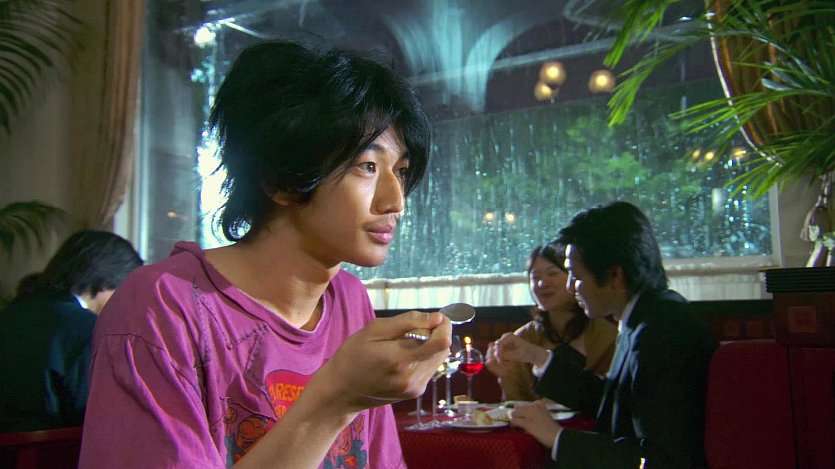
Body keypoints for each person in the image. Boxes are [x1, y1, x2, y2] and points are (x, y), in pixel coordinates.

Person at [78, 40, 452, 469]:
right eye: (367, 166)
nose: (396, 201)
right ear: (282, 179)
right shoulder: (162, 306)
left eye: (400, 171)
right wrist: (335, 398)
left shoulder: (349, 299)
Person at [495, 201, 718, 468]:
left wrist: (558, 438)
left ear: (614, 276)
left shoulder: (664, 334)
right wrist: (538, 358)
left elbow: (660, 459)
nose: (571, 286)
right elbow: (614, 399)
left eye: (576, 276)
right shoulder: (647, 316)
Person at [0, 230, 143, 432]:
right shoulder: (88, 330)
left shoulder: (9, 314)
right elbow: (96, 419)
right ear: (104, 283)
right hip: (56, 448)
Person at [485, 241, 616, 402]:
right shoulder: (523, 338)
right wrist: (505, 376)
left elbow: (610, 401)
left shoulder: (607, 336)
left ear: (574, 277)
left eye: (552, 273)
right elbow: (514, 405)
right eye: (535, 277)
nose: (542, 283)